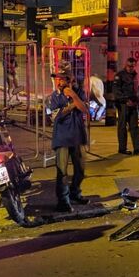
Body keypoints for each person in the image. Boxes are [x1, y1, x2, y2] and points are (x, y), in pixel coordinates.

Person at [46, 70, 89, 212]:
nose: (58, 82)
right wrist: (71, 106)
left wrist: (74, 96)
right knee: (62, 172)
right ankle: (63, 201)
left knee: (80, 170)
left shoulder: (79, 93)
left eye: (62, 79)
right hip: (62, 139)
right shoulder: (54, 97)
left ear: (70, 80)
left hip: (78, 137)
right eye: (57, 79)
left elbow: (85, 109)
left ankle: (75, 193)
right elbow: (55, 116)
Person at [112, 58, 139, 155]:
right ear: (126, 65)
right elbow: (116, 91)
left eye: (133, 66)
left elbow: (136, 89)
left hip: (133, 104)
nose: (131, 68)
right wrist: (126, 100)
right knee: (122, 127)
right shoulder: (120, 76)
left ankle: (137, 148)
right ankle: (122, 149)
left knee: (134, 127)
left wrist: (137, 100)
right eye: (129, 66)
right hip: (124, 104)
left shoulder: (134, 75)